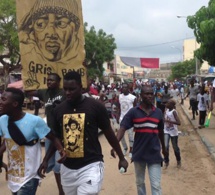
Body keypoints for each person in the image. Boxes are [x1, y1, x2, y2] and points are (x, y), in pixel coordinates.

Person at [37, 71, 128, 194]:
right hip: (68, 168)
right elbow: (56, 138)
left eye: (72, 89)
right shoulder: (58, 110)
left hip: (91, 165)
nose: (68, 93)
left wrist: (121, 157)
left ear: (81, 87)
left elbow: (109, 133)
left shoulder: (95, 107)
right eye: (65, 89)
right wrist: (46, 159)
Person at [0, 87, 66, 195]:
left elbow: (53, 138)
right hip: (13, 178)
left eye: (3, 99)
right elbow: (7, 141)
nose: (0, 102)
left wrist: (48, 158)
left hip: (29, 177)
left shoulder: (35, 121)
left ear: (15, 104)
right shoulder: (2, 120)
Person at [112, 85, 167, 195]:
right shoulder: (134, 112)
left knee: (156, 185)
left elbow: (161, 132)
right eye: (147, 93)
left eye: (151, 93)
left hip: (154, 153)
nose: (149, 96)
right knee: (140, 183)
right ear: (141, 95)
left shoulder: (158, 112)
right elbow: (122, 128)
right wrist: (115, 144)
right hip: (139, 154)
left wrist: (164, 149)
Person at [26, 73, 65, 195]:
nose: (49, 82)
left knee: (59, 165)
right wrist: (26, 75)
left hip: (63, 133)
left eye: (52, 80)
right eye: (47, 80)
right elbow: (28, 92)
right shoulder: (44, 93)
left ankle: (62, 191)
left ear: (59, 82)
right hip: (50, 133)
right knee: (51, 164)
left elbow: (82, 88)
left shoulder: (64, 92)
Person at [117, 83, 137, 158]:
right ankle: (125, 148)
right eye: (123, 88)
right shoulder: (120, 96)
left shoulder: (133, 97)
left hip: (130, 119)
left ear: (128, 88)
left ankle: (131, 151)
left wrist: (135, 120)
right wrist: (117, 116)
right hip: (122, 118)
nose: (124, 89)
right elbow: (119, 107)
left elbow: (135, 109)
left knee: (130, 136)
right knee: (121, 136)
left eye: (125, 87)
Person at [163, 99, 181, 168]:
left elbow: (179, 122)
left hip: (173, 132)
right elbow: (164, 118)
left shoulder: (174, 112)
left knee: (175, 148)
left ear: (172, 105)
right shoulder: (166, 110)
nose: (166, 104)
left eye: (168, 103)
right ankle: (166, 161)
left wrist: (169, 121)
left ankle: (178, 160)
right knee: (166, 146)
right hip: (166, 131)